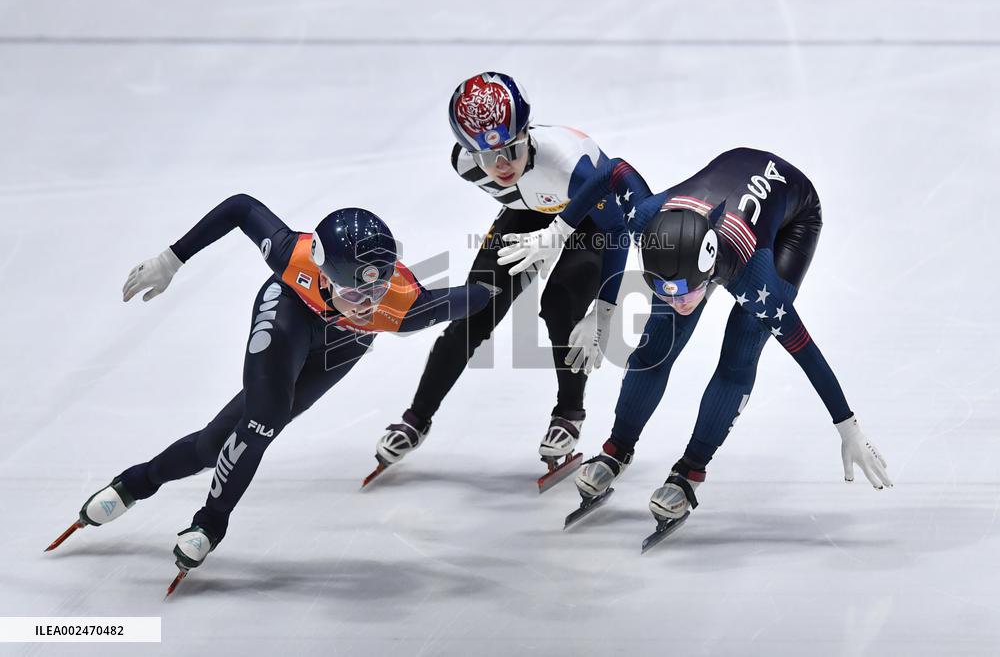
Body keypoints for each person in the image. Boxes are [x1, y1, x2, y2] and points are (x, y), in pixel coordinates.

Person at [46, 194, 496, 585]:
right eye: (355, 294)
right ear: (322, 269)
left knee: (215, 444)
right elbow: (241, 207)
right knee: (262, 420)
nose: (367, 304)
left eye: (376, 292)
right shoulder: (293, 255)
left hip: (340, 347)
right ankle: (210, 523)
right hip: (289, 313)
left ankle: (138, 481)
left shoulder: (401, 308)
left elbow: (480, 295)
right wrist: (172, 258)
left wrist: (536, 248)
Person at [498, 148, 891, 530]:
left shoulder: (754, 277)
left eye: (688, 292)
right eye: (666, 290)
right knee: (657, 342)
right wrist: (558, 232)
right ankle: (617, 447)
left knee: (743, 342)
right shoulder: (645, 220)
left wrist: (847, 426)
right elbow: (612, 169)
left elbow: (805, 350)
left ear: (710, 269)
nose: (681, 302)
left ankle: (690, 470)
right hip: (711, 203)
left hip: (792, 218)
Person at [370, 72, 629, 489]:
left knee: (561, 306)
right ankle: (416, 418)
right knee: (474, 311)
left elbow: (617, 229)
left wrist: (604, 309)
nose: (502, 166)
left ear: (527, 133)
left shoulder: (568, 164)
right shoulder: (465, 164)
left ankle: (569, 412)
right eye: (488, 158)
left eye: (511, 150)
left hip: (590, 217)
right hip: (533, 209)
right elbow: (524, 196)